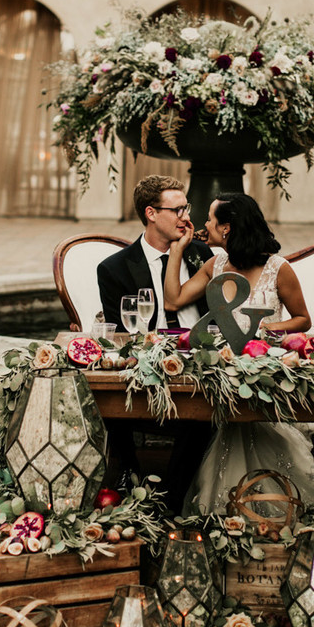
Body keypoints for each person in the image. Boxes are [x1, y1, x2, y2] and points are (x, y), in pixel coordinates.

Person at [163, 192, 314, 516]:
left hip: (266, 371)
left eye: (210, 218)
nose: (204, 224)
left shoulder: (279, 268)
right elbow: (173, 300)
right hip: (226, 371)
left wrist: (262, 332)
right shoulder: (214, 264)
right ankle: (230, 515)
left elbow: (303, 319)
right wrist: (176, 250)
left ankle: (276, 508)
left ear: (228, 228)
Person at [97, 174, 213, 510]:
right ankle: (128, 484)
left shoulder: (201, 254)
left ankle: (169, 504)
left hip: (200, 364)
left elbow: (219, 315)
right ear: (151, 213)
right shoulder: (115, 268)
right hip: (147, 366)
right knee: (111, 406)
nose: (186, 217)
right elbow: (120, 335)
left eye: (186, 208)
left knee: (203, 412)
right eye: (176, 210)